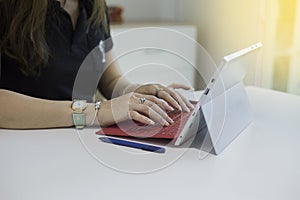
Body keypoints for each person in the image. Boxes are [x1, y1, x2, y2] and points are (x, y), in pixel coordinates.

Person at [0, 0, 194, 130]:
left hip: (82, 137)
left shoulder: (94, 7)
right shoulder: (9, 8)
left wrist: (138, 93)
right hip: (25, 143)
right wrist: (96, 112)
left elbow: (111, 81)